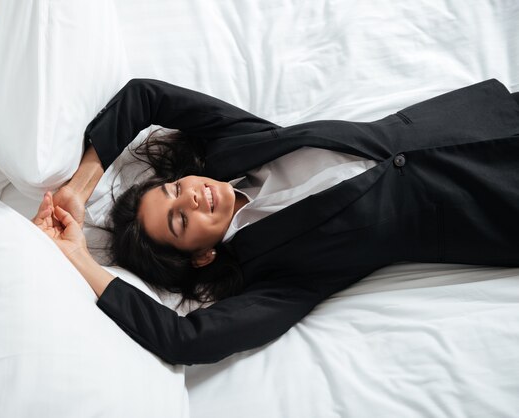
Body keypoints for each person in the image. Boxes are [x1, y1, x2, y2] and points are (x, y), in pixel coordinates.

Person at [33, 78, 519, 365]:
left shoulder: (240, 147)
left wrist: (78, 188)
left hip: (485, 117)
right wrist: (78, 255)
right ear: (203, 255)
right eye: (181, 221)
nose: (192, 197)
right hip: (494, 203)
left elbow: (146, 95)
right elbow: (185, 340)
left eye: (174, 189)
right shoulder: (280, 276)